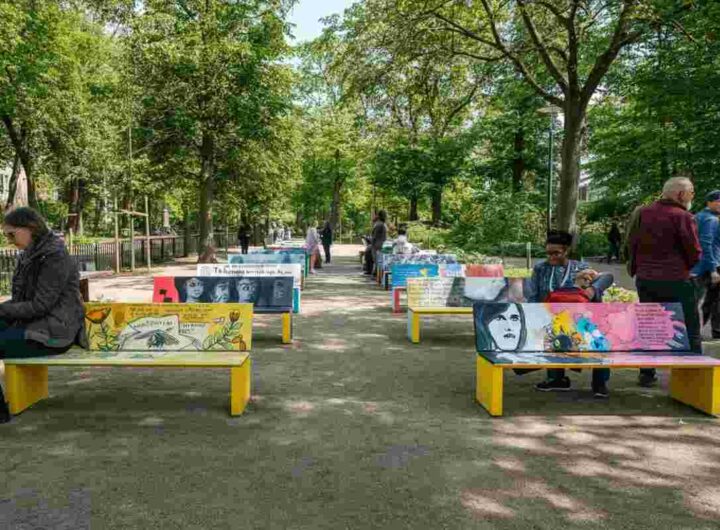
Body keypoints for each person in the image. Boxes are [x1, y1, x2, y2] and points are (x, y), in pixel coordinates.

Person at [0, 207, 87, 423]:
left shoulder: (53, 256)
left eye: (12, 234)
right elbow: (22, 302)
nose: (9, 240)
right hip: (35, 325)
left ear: (31, 228)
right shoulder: (30, 254)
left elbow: (40, 305)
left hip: (55, 332)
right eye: (5, 236)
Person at [626, 175, 702, 386]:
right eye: (691, 191)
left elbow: (631, 243)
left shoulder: (643, 213)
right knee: (689, 327)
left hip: (646, 279)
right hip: (677, 279)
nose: (692, 195)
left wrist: (636, 268)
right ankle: (694, 373)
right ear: (680, 194)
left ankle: (646, 372)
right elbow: (694, 251)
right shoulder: (683, 216)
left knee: (650, 325)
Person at [525, 230, 614, 397]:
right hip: (551, 317)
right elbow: (533, 295)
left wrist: (593, 289)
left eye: (556, 253)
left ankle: (599, 383)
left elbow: (607, 276)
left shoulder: (580, 268)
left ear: (566, 251)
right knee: (552, 332)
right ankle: (557, 379)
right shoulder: (540, 268)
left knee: (599, 338)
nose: (551, 257)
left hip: (580, 318)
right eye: (548, 253)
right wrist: (535, 315)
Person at [691, 190, 720, 340]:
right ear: (709, 202)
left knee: (698, 300)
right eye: (718, 201)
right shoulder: (711, 219)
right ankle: (714, 334)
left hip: (698, 266)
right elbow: (706, 244)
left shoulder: (698, 216)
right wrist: (713, 269)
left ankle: (694, 333)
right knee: (714, 302)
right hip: (709, 266)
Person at [370, 210, 388, 275]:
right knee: (378, 260)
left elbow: (374, 236)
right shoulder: (380, 224)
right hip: (379, 244)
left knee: (377, 260)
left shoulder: (379, 224)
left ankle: (376, 274)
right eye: (386, 215)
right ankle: (376, 274)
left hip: (378, 244)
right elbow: (374, 236)